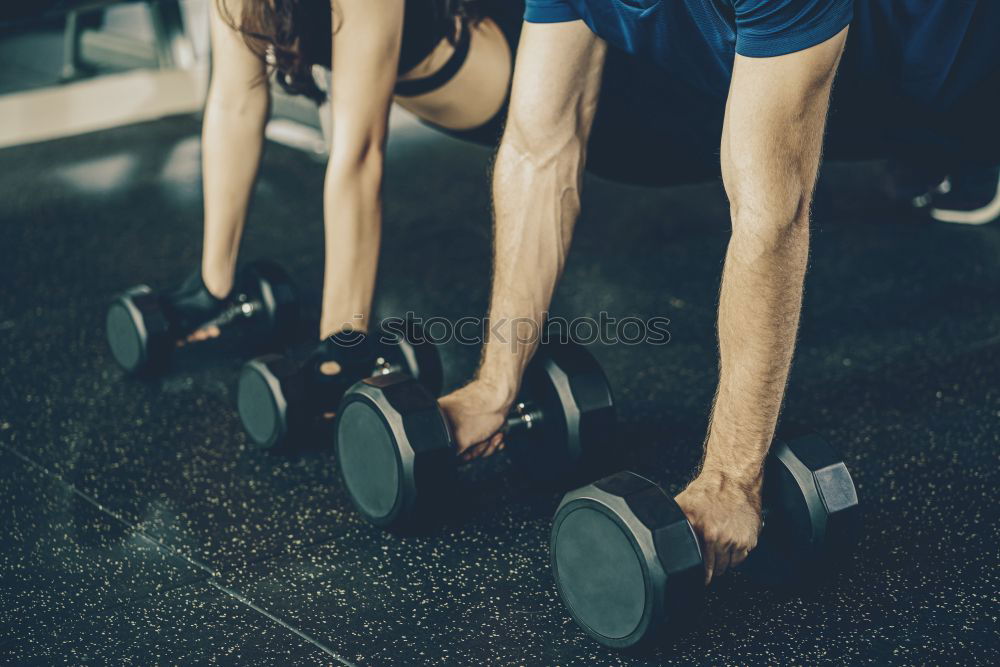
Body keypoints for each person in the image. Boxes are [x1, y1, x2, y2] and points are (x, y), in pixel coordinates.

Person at [436, 0, 1000, 587]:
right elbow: (537, 151)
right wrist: (495, 385)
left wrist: (733, 480)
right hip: (860, 90)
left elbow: (772, 217)